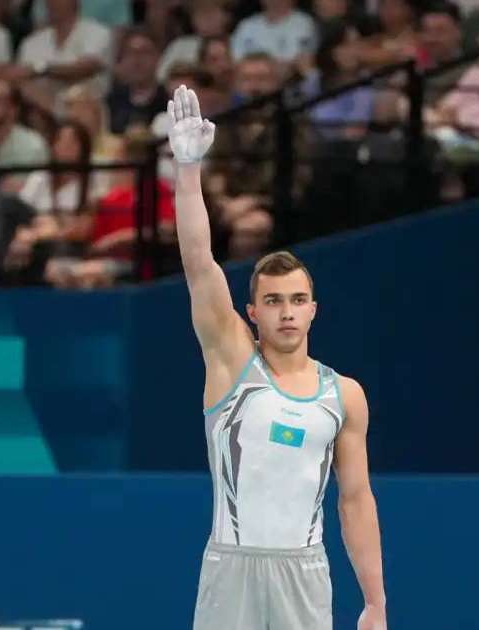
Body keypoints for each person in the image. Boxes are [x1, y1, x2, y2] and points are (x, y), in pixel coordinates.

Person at [166, 85, 388, 630]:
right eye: (272, 301)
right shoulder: (232, 362)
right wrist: (188, 169)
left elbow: (355, 500)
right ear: (252, 312)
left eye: (296, 301)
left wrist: (375, 602)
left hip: (305, 573)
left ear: (313, 310)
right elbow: (199, 262)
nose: (286, 313)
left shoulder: (344, 396)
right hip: (232, 570)